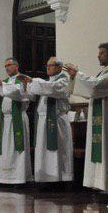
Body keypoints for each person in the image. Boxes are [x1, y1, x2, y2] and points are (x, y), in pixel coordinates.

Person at [65, 42, 108, 194]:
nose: (98, 56)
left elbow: (95, 86)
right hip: (100, 118)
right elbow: (92, 87)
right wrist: (74, 76)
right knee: (99, 149)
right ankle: (97, 183)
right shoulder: (104, 72)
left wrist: (78, 74)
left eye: (102, 53)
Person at [19, 57, 73, 187]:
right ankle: (45, 178)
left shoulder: (64, 80)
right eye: (47, 65)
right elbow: (31, 95)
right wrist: (26, 85)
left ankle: (59, 179)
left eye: (51, 65)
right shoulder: (47, 82)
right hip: (43, 120)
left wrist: (32, 80)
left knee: (58, 151)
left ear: (59, 67)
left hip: (57, 120)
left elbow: (52, 89)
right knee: (43, 150)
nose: (48, 67)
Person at [0, 57, 34, 186]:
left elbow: (19, 93)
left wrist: (2, 85)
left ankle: (19, 179)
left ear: (16, 66)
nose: (7, 68)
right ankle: (4, 178)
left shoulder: (23, 79)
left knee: (17, 150)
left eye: (9, 65)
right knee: (4, 150)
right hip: (4, 120)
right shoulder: (5, 82)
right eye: (5, 66)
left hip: (18, 119)